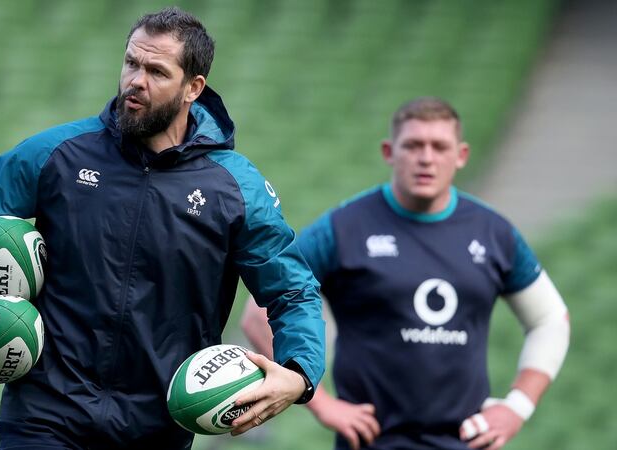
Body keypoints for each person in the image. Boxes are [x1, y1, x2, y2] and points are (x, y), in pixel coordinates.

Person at [0, 7, 325, 450]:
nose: (136, 80)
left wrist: (300, 373)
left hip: (157, 428)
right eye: (132, 62)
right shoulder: (60, 153)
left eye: (156, 70)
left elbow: (291, 290)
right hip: (45, 415)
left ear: (193, 88)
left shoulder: (235, 187)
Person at [241, 97, 570, 450]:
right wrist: (322, 404)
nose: (426, 157)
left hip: (467, 441)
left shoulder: (494, 233)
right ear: (389, 151)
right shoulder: (344, 228)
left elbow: (550, 319)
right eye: (413, 145)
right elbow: (258, 314)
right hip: (371, 442)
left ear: (461, 155)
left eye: (439, 147)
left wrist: (517, 407)